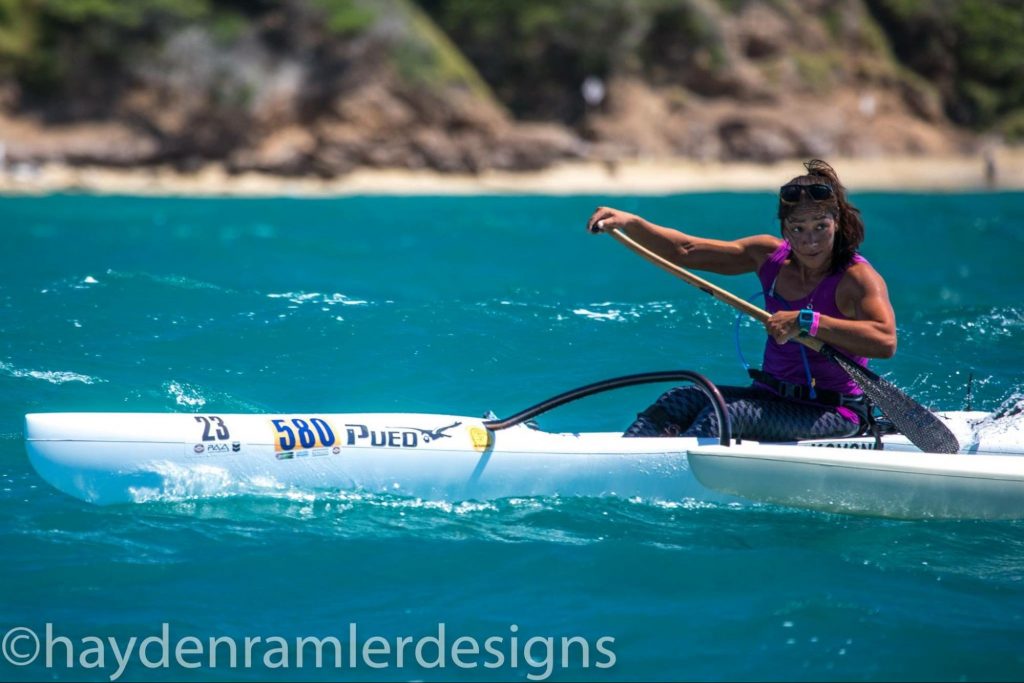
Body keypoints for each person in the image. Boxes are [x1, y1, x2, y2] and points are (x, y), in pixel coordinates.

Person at [586, 159, 896, 441]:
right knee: (680, 399)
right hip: (770, 398)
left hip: (835, 413)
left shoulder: (856, 277)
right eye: (797, 228)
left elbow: (884, 340)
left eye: (820, 227)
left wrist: (807, 321)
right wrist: (630, 222)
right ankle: (618, 466)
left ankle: (674, 477)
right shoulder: (769, 258)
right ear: (784, 227)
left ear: (837, 222)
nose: (809, 240)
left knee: (725, 415)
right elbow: (686, 250)